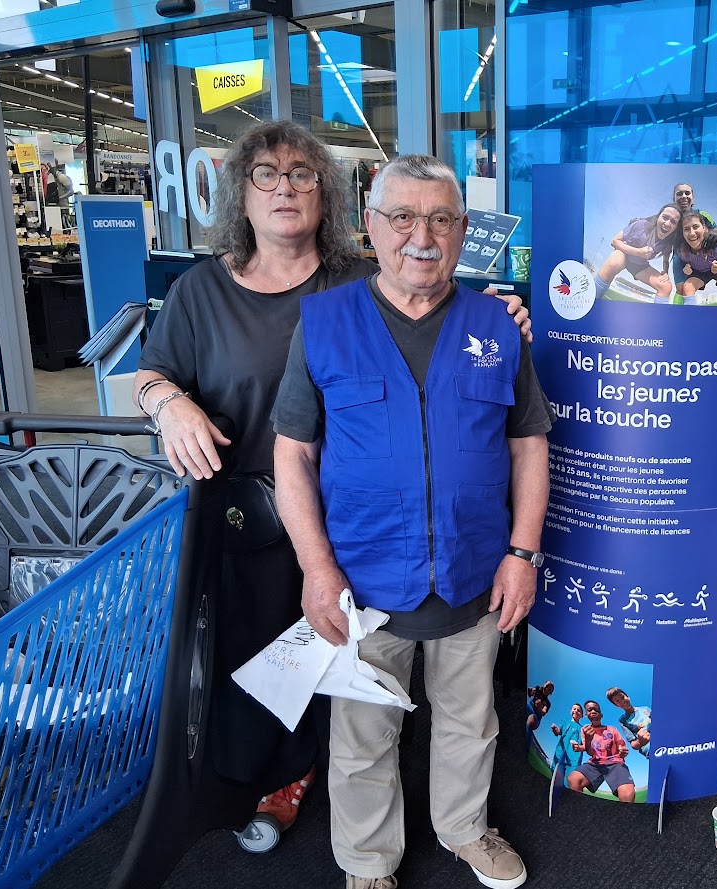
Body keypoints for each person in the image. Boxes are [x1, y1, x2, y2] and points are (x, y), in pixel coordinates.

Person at [133, 120, 530, 841]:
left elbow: (435, 310)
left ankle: (401, 809)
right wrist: (168, 402)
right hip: (260, 513)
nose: (284, 188)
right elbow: (160, 376)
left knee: (390, 692)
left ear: (329, 196)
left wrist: (502, 317)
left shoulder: (359, 278)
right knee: (288, 673)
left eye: (301, 175)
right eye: (266, 175)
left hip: (387, 535)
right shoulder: (206, 291)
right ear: (240, 192)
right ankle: (276, 790)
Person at [272, 153, 551, 889]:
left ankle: (465, 828)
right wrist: (316, 568)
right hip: (362, 582)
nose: (421, 237)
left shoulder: (498, 325)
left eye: (440, 219)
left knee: (471, 719)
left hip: (475, 571)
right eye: (402, 217)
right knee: (363, 732)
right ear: (370, 225)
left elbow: (528, 445)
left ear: (463, 229)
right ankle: (368, 862)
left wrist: (522, 553)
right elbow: (293, 455)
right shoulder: (324, 324)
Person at [592, 204, 681, 302]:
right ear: (658, 216)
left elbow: (666, 259)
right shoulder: (641, 225)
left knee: (666, 286)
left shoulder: (668, 242)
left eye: (673, 222)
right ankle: (592, 301)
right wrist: (638, 252)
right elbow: (615, 241)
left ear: (676, 227)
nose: (667, 224)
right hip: (624, 254)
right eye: (665, 217)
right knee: (614, 263)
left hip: (639, 265)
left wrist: (665, 273)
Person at [566, 700, 635, 803]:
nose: (593, 711)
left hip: (615, 763)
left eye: (596, 710)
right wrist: (586, 741)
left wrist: (622, 751)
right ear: (586, 715)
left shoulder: (612, 729)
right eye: (590, 710)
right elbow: (589, 752)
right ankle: (581, 809)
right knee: (573, 779)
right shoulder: (585, 730)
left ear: (601, 715)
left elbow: (621, 747)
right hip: (595, 763)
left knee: (628, 794)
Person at [676, 211, 717, 306]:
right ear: (682, 233)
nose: (692, 233)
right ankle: (690, 314)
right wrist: (687, 268)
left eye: (695, 227)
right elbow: (686, 263)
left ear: (703, 228)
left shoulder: (715, 243)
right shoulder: (682, 251)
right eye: (686, 229)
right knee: (687, 287)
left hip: (716, 268)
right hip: (699, 272)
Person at [605, 687, 650, 756]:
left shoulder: (645, 709)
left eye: (622, 697)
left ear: (628, 697)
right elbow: (634, 745)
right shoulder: (623, 721)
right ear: (616, 705)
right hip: (650, 749)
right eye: (617, 701)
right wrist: (640, 741)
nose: (622, 701)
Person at [550, 702, 585, 776]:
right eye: (574, 709)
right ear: (570, 711)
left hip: (574, 760)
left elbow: (585, 744)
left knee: (569, 779)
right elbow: (558, 732)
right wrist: (555, 729)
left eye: (578, 710)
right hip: (560, 753)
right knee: (555, 776)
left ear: (582, 715)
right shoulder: (565, 722)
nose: (576, 711)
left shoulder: (582, 729)